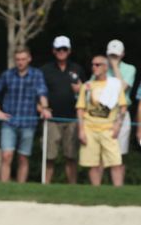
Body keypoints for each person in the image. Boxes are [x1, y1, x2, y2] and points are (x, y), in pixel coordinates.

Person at [0, 46, 50, 183]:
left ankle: (20, 188)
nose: (20, 62)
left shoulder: (37, 74)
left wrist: (45, 107)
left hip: (28, 123)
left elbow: (42, 93)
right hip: (9, 122)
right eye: (18, 59)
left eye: (23, 59)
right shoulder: (7, 75)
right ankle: (3, 187)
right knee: (6, 156)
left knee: (23, 157)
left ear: (29, 59)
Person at [40, 36, 85, 184]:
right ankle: (45, 185)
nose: (61, 52)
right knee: (49, 156)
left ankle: (72, 187)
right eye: (58, 49)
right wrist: (42, 108)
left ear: (69, 50)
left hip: (72, 118)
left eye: (64, 49)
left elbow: (85, 95)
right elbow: (39, 94)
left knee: (71, 156)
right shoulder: (45, 70)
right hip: (51, 119)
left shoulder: (77, 69)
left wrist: (80, 90)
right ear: (53, 50)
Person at [77, 55, 127, 187]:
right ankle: (96, 191)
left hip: (108, 129)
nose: (94, 67)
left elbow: (123, 107)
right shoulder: (87, 86)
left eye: (98, 64)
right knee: (93, 164)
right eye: (93, 64)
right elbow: (80, 109)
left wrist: (118, 125)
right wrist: (81, 130)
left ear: (105, 67)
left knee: (115, 162)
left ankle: (118, 192)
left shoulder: (115, 85)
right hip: (90, 129)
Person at [105, 40, 135, 184]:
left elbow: (122, 88)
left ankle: (118, 187)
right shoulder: (101, 67)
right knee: (101, 153)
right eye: (111, 55)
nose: (113, 58)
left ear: (122, 55)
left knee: (120, 153)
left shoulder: (130, 69)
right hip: (103, 114)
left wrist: (115, 67)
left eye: (116, 56)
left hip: (121, 113)